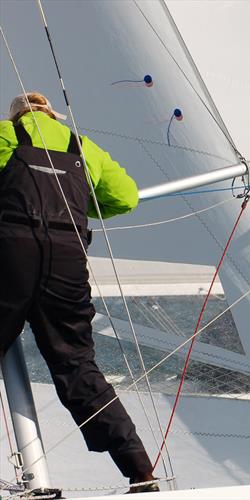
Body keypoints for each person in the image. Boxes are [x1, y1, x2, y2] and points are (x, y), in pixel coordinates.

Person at [0, 93, 157, 493]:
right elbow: (126, 197)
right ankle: (140, 469)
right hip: (67, 260)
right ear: (52, 113)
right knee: (76, 365)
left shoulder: (4, 134)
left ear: (17, 115)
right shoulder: (82, 146)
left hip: (11, 250)